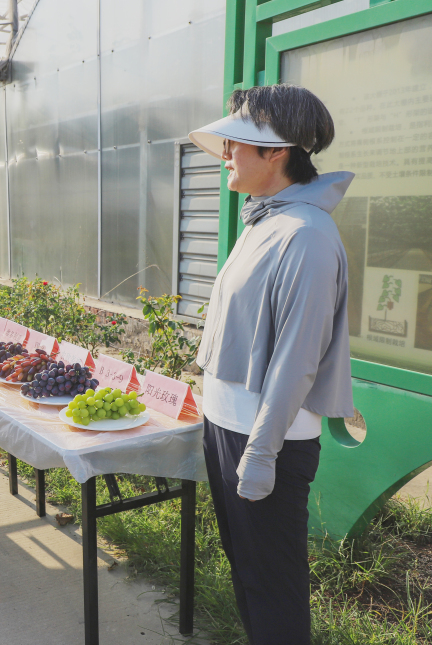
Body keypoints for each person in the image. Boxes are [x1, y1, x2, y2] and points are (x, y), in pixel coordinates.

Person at [188, 84, 354, 644]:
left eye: (235, 143)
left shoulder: (306, 235)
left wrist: (260, 454)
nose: (225, 154)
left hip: (266, 438)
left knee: (272, 585)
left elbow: (297, 359)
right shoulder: (266, 220)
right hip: (228, 425)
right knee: (248, 572)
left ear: (277, 152)